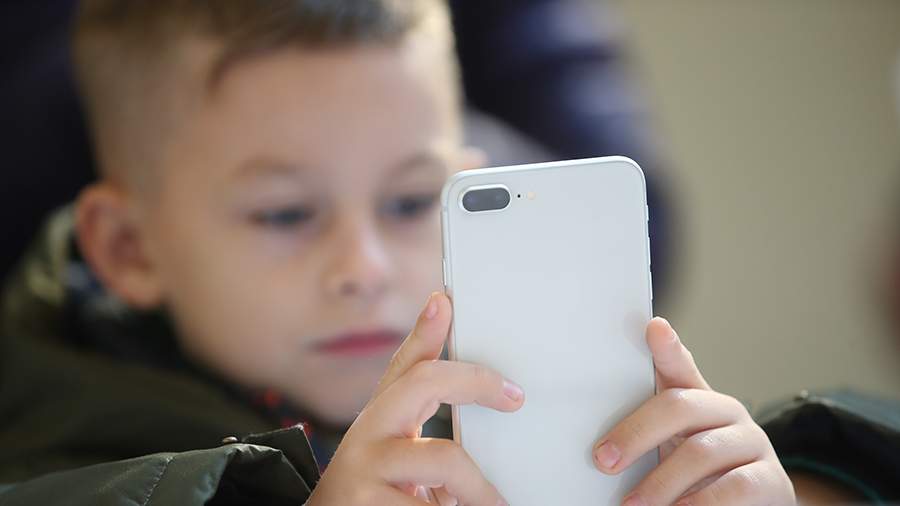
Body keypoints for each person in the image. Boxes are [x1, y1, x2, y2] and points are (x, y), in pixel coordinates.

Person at [0, 1, 793, 504]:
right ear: (129, 249)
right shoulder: (57, 466)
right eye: (285, 213)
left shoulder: (532, 417)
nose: (365, 269)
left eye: (413, 203)